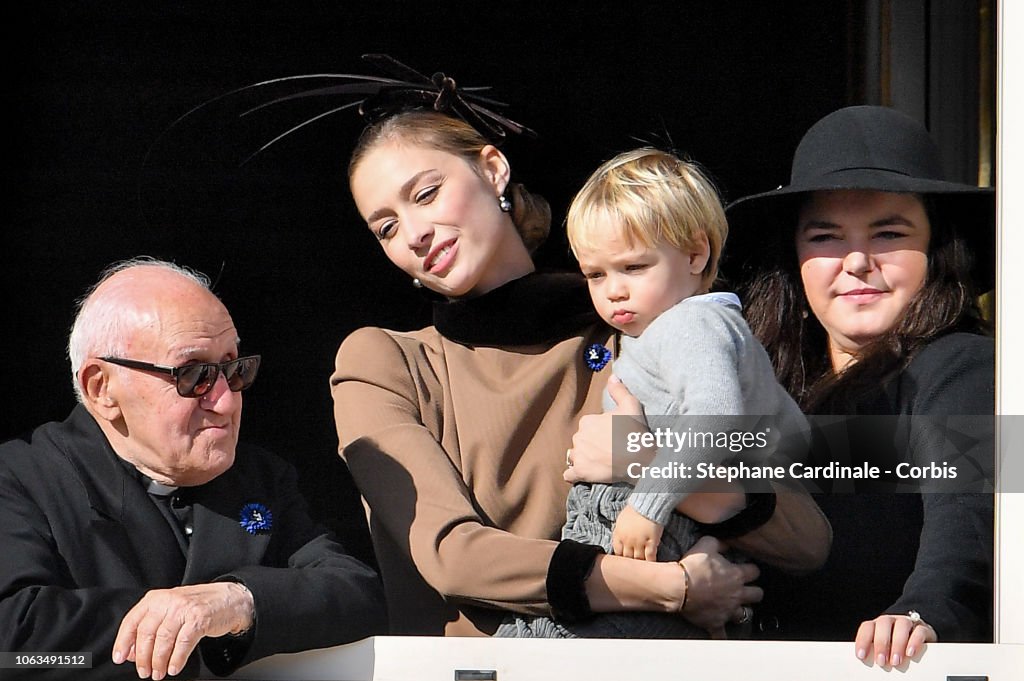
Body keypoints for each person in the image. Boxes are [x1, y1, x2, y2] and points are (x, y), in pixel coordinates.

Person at [330, 70, 831, 639]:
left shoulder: (638, 330)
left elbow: (806, 537)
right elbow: (452, 553)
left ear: (493, 169)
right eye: (387, 228)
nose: (414, 232)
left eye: (426, 194)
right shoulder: (385, 362)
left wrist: (641, 461)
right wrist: (674, 588)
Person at [0, 258, 387, 681]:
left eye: (234, 370)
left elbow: (358, 596)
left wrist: (239, 602)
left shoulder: (262, 478)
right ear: (101, 388)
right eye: (194, 375)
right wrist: (184, 627)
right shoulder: (20, 477)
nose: (226, 401)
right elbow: (14, 643)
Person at [497, 148, 813, 639]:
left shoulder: (691, 323)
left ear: (695, 254)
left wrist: (648, 505)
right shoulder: (693, 329)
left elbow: (714, 415)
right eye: (596, 275)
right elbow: (787, 431)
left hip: (654, 533)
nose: (613, 291)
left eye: (633, 267)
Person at [725, 105, 994, 666]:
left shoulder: (963, 364)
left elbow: (966, 517)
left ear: (937, 248)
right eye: (824, 236)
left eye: (888, 233)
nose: (855, 261)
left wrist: (923, 613)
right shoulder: (754, 378)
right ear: (793, 259)